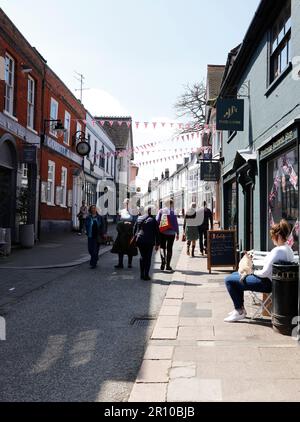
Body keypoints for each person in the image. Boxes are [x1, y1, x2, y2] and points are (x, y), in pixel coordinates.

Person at [224, 219, 294, 323]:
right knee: (235, 275)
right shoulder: (289, 250)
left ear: (278, 236)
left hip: (266, 283)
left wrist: (252, 272)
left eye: (272, 237)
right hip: (275, 283)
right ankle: (240, 308)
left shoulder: (278, 250)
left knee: (229, 280)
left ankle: (239, 311)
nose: (272, 240)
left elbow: (264, 272)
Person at [134, 206, 160, 281]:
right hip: (149, 242)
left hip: (140, 240)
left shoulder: (139, 218)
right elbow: (157, 233)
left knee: (142, 257)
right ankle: (146, 275)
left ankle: (141, 274)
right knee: (148, 258)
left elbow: (134, 229)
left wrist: (135, 238)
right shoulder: (153, 220)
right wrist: (157, 244)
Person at [111, 199, 138, 269]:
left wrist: (131, 224)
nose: (127, 204)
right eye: (125, 203)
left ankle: (129, 263)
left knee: (130, 248)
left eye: (128, 203)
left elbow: (136, 222)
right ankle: (120, 263)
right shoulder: (121, 211)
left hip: (130, 233)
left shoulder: (134, 212)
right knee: (120, 249)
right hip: (122, 232)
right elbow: (117, 221)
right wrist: (124, 223)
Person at [156, 200, 179, 272]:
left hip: (162, 232)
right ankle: (168, 265)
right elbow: (175, 223)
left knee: (162, 247)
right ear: (171, 204)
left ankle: (163, 262)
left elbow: (157, 220)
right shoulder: (173, 212)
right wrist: (177, 233)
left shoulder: (161, 211)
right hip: (171, 233)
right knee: (169, 248)